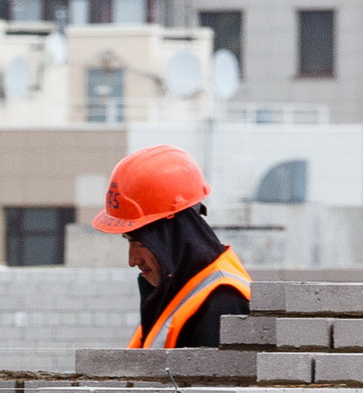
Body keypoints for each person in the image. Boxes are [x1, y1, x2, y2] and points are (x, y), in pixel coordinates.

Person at [91, 144, 251, 348]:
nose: (133, 260)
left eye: (139, 243)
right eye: (128, 241)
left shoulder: (222, 302)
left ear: (172, 235)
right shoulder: (176, 294)